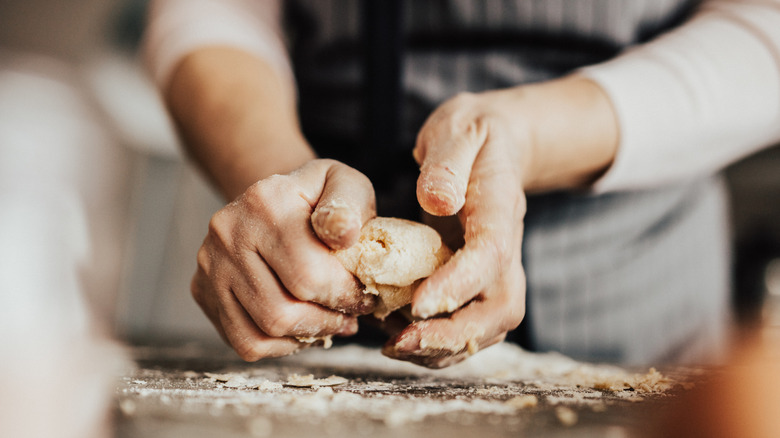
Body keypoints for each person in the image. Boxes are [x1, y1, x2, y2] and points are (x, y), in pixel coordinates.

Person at [144, 0, 780, 369]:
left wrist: (530, 133)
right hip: (315, 291)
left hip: (637, 292)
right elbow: (214, 11)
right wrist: (280, 178)